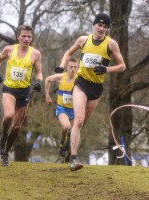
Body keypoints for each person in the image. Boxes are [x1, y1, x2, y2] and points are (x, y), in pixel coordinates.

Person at [55, 13, 126, 171]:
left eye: (105, 26)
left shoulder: (111, 44)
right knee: (78, 120)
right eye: (99, 25)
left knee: (80, 124)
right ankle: (73, 160)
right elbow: (68, 52)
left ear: (107, 29)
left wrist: (106, 68)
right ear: (94, 25)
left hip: (96, 88)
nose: (102, 28)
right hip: (81, 84)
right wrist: (61, 65)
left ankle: (67, 142)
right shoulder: (83, 40)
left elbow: (122, 66)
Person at [0, 24, 43, 166]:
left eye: (29, 36)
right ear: (18, 37)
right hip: (9, 89)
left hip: (24, 92)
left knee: (16, 127)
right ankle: (2, 139)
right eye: (23, 36)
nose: (26, 39)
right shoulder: (9, 49)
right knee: (8, 115)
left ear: (31, 38)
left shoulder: (35, 54)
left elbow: (39, 71)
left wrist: (39, 81)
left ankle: (5, 153)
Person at [45, 57, 79, 162]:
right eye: (71, 67)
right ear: (66, 68)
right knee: (66, 126)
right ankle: (62, 143)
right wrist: (47, 96)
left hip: (74, 110)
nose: (73, 69)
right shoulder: (61, 77)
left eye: (75, 67)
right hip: (62, 108)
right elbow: (47, 80)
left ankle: (68, 156)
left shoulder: (79, 79)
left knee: (75, 136)